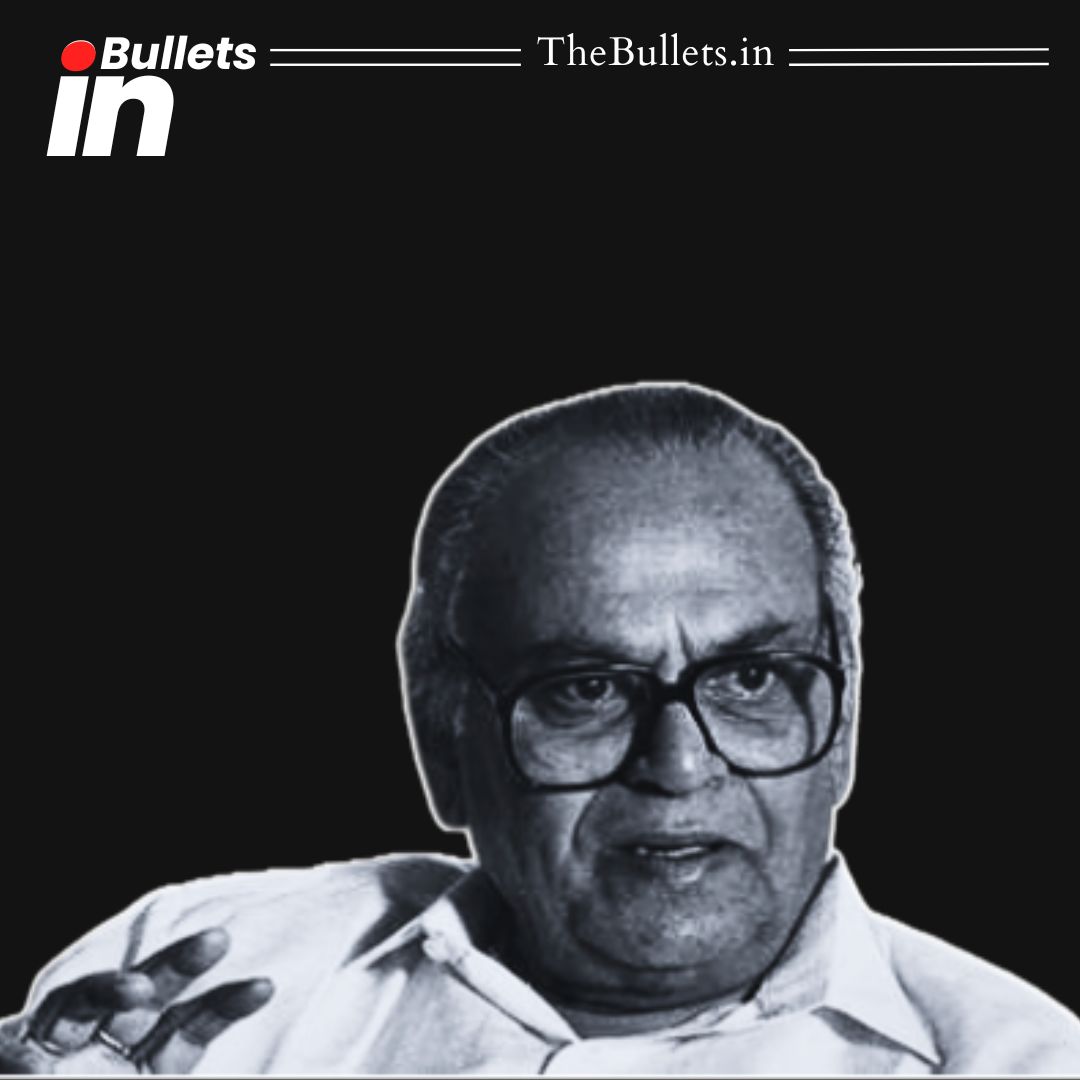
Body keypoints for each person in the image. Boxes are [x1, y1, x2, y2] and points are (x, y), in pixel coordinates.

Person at [2, 383, 1077, 1075]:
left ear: (842, 722)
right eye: (586, 689)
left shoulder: (1024, 1063)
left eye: (750, 677)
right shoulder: (182, 982)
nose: (678, 764)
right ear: (441, 739)